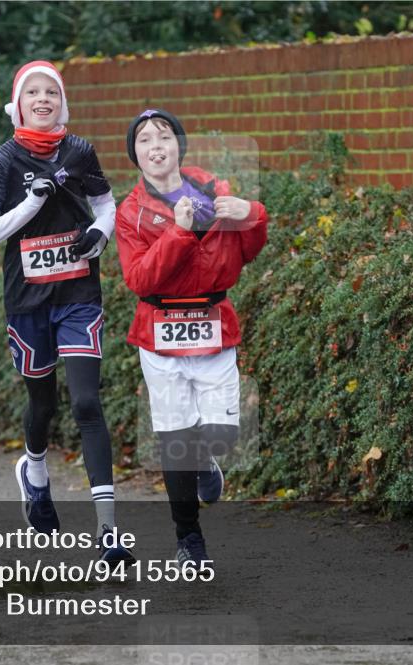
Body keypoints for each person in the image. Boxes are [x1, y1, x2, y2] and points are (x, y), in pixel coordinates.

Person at [0, 61, 133, 565]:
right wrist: (28, 207)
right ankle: (34, 470)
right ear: (17, 104)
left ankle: (108, 534)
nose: (43, 99)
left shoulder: (80, 151)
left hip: (78, 295)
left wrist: (99, 235)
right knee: (43, 405)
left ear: (62, 102)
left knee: (86, 402)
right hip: (28, 303)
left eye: (52, 92)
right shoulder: (3, 162)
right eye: (33, 92)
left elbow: (108, 205)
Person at [115, 109, 269, 567]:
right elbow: (140, 279)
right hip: (160, 337)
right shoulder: (131, 213)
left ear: (179, 146)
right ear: (136, 155)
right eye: (144, 140)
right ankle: (189, 540)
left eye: (163, 136)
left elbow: (248, 250)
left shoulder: (215, 189)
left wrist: (253, 215)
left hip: (213, 326)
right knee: (174, 440)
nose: (155, 145)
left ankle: (207, 461)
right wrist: (179, 233)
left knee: (221, 434)